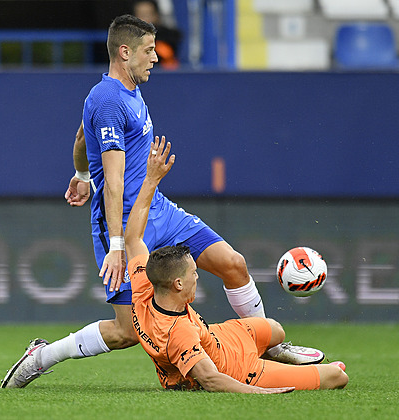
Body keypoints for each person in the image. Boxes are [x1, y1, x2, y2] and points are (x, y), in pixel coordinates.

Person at [0, 14, 322, 389]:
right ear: (125, 52)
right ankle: (41, 356)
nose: (155, 58)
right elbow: (116, 183)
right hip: (124, 222)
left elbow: (81, 140)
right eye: (149, 50)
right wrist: (118, 244)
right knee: (126, 332)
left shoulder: (122, 92)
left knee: (233, 264)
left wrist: (82, 175)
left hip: (161, 210)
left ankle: (262, 350)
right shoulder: (107, 99)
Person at [125, 138, 348, 392]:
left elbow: (132, 238)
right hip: (240, 370)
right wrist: (265, 392)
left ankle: (275, 356)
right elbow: (211, 380)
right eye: (193, 274)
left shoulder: (144, 290)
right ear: (177, 283)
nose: (197, 278)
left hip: (221, 337)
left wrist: (151, 180)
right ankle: (277, 368)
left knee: (275, 330)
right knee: (337, 376)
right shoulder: (179, 333)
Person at [133, 0, 181, 70]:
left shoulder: (169, 38)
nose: (145, 20)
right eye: (142, 15)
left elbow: (170, 62)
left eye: (148, 14)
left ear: (156, 16)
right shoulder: (126, 39)